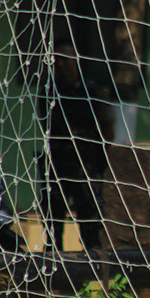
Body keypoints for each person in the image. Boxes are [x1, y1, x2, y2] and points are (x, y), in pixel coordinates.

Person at [39, 39, 113, 253]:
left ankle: (93, 264)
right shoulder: (48, 92)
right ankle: (53, 266)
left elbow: (107, 130)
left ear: (76, 60)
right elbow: (45, 125)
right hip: (56, 164)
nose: (61, 64)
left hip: (86, 164)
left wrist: (100, 162)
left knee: (90, 222)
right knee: (52, 221)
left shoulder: (94, 91)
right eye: (56, 60)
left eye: (65, 59)